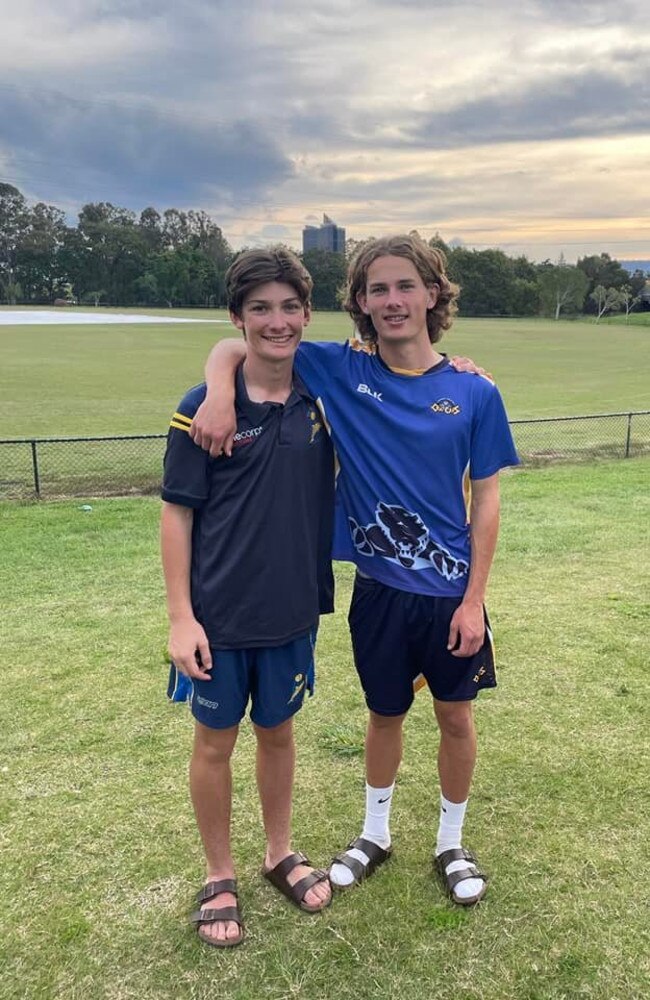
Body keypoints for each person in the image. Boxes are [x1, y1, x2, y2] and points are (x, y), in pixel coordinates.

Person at [192, 234, 518, 906]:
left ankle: (450, 843)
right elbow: (243, 341)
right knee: (383, 714)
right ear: (361, 303)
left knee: (456, 718)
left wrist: (474, 599)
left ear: (433, 293)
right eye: (377, 289)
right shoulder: (343, 370)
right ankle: (375, 834)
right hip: (377, 592)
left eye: (406, 286)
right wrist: (220, 393)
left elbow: (486, 503)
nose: (392, 301)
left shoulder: (475, 392)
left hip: (450, 594)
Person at [161, 247, 334, 948]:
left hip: (291, 610)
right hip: (218, 617)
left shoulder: (322, 398)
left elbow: (403, 368)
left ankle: (277, 853)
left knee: (279, 734)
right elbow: (177, 514)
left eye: (289, 306)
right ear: (238, 317)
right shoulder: (201, 408)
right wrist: (180, 618)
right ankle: (219, 872)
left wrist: (468, 371)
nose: (277, 321)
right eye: (260, 308)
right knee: (214, 743)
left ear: (306, 314)